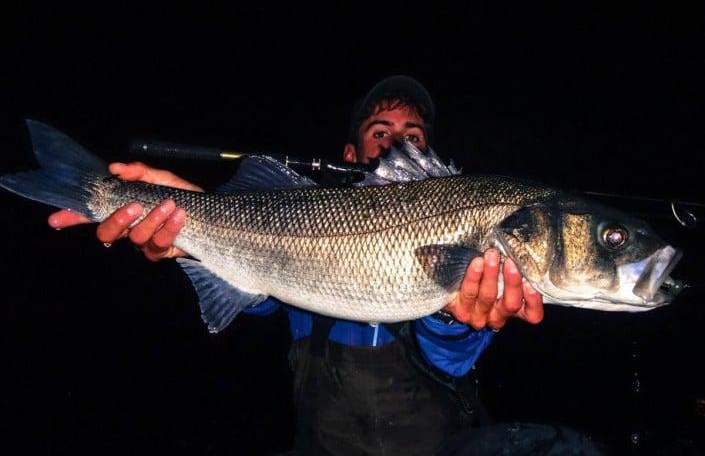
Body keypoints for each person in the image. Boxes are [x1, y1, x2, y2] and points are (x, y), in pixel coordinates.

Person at [48, 76, 545, 455]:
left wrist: (451, 315)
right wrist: (185, 215)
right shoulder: (306, 212)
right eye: (380, 131)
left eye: (413, 136)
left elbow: (452, 363)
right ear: (351, 154)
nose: (397, 145)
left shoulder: (475, 226)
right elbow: (259, 299)